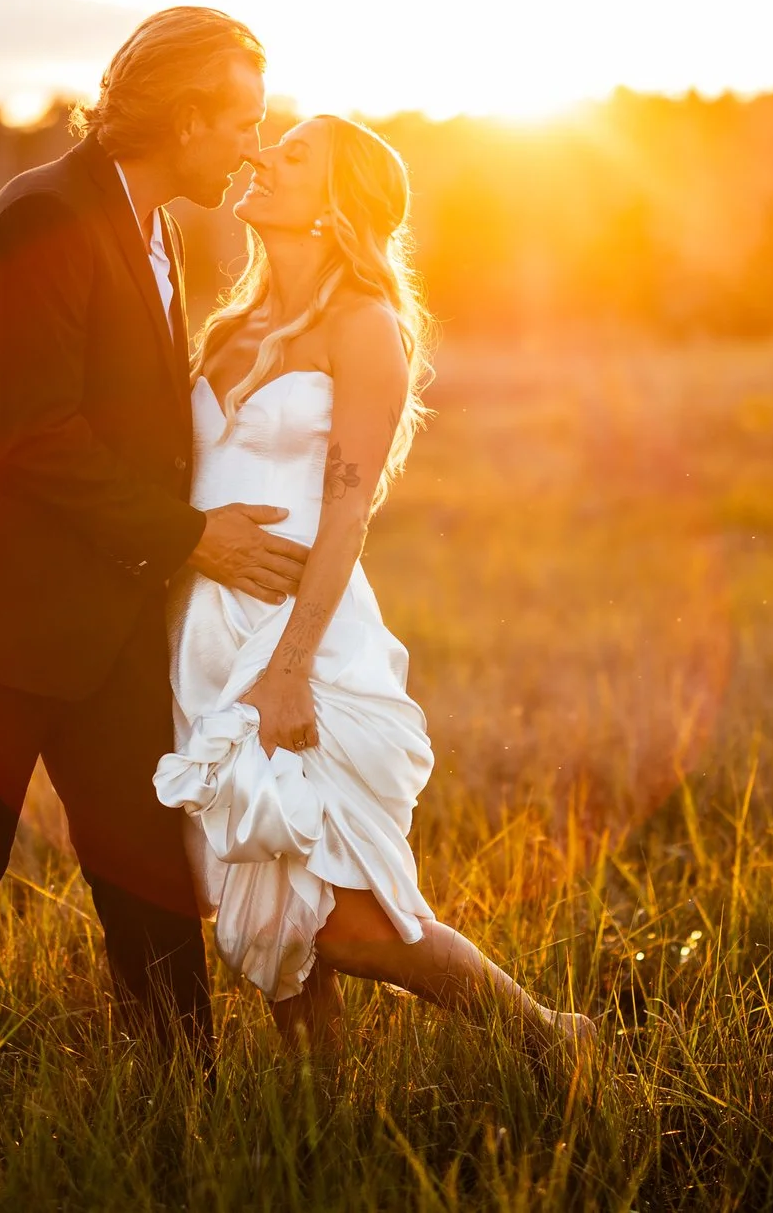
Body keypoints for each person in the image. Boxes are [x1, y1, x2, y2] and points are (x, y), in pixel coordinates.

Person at [0, 6, 306, 1063]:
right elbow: (37, 436)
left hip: (98, 629)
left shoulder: (152, 229)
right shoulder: (44, 216)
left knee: (151, 878)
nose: (252, 140)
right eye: (241, 118)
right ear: (186, 116)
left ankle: (183, 1106)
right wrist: (198, 535)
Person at [154, 114, 595, 1053]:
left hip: (296, 628)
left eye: (292, 154)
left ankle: (551, 1036)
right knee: (264, 894)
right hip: (202, 631)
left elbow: (348, 512)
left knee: (351, 918)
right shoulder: (231, 324)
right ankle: (316, 1118)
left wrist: (291, 668)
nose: (260, 157)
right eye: (267, 144)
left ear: (338, 203)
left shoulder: (365, 325)